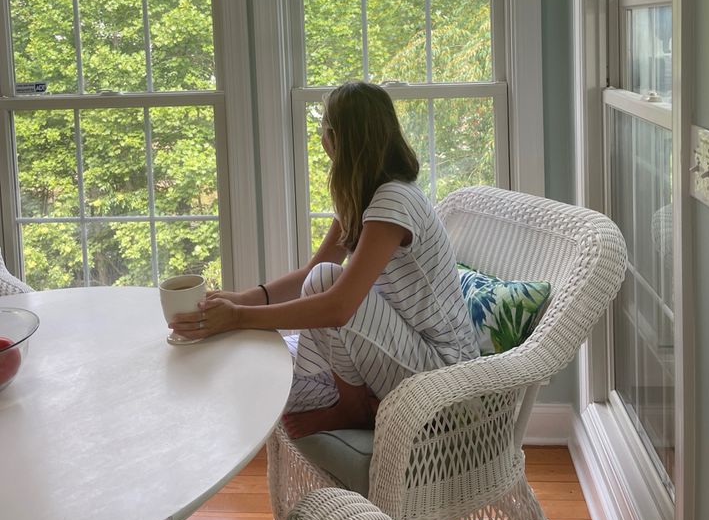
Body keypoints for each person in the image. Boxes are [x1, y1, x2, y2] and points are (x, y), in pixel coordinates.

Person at [171, 80, 479, 438]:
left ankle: (353, 409)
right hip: (411, 354)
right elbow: (308, 274)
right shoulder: (365, 196)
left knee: (326, 282)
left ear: (336, 138)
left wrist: (239, 318)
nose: (321, 137)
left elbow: (338, 306)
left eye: (323, 128)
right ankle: (354, 401)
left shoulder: (394, 200)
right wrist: (242, 298)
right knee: (318, 280)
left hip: (447, 379)